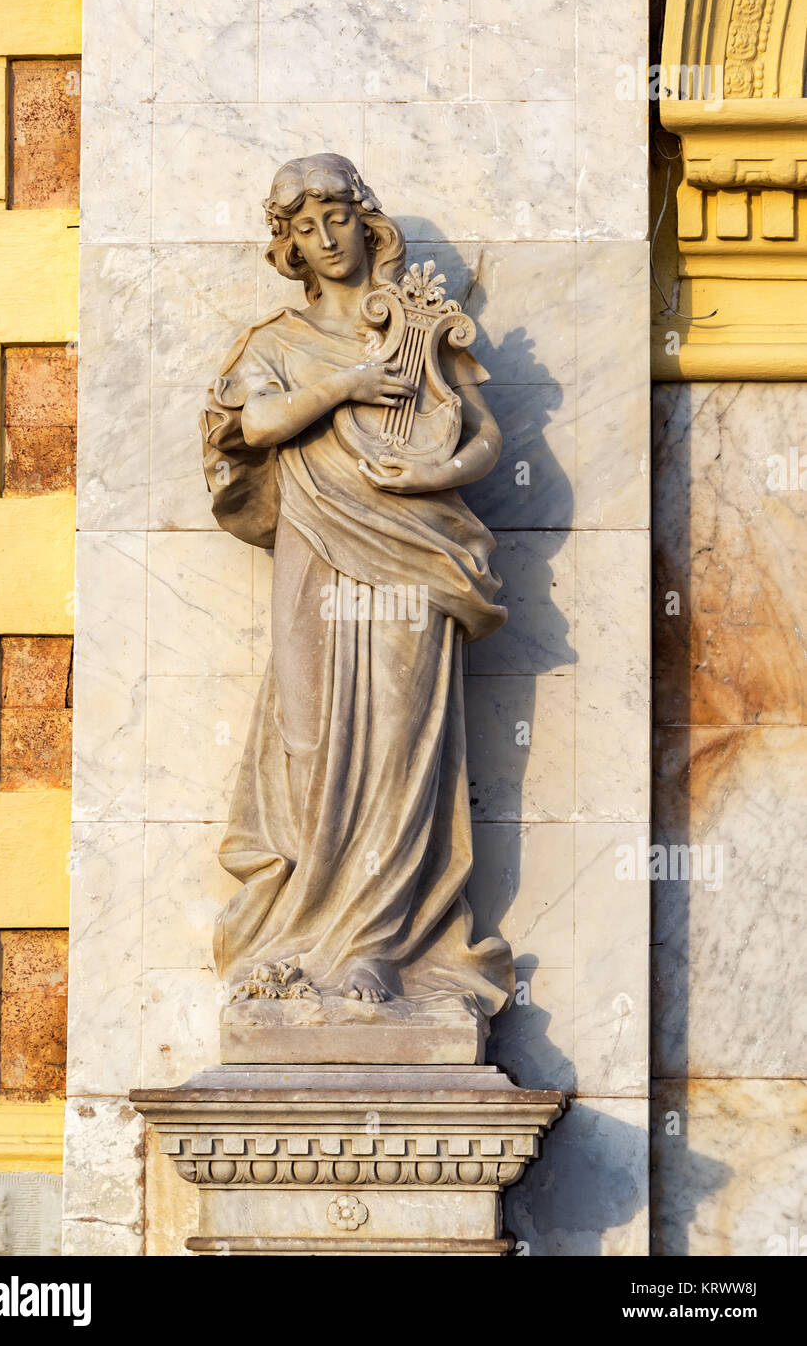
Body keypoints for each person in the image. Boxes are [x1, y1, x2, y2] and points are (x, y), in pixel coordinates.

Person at [200, 153, 514, 1019]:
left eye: (335, 218)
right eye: (302, 228)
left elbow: (482, 433)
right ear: (287, 247)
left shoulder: (414, 328)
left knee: (399, 738)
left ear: (363, 222)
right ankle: (301, 935)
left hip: (412, 554)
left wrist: (435, 473)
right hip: (315, 554)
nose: (324, 238)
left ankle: (378, 942)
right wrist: (346, 384)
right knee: (309, 735)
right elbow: (256, 422)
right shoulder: (276, 344)